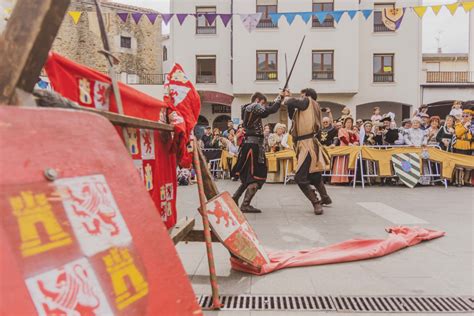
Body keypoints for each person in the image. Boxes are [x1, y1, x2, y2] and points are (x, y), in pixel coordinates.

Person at [231, 91, 286, 213]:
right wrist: (280, 99)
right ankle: (245, 204)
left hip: (250, 145)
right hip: (253, 147)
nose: (263, 106)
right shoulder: (254, 106)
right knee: (256, 176)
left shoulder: (247, 107)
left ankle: (235, 197)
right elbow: (269, 111)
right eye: (262, 103)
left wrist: (279, 96)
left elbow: (268, 107)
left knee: (248, 177)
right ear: (257, 100)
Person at [284, 88, 332, 215]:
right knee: (313, 174)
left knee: (300, 177)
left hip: (307, 144)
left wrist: (288, 97)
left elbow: (293, 102)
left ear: (308, 96)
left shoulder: (308, 101)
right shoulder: (309, 108)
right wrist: (288, 100)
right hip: (305, 143)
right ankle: (325, 197)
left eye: (302, 96)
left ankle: (316, 202)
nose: (301, 98)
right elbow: (291, 114)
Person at [332, 116, 359, 184]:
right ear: (345, 123)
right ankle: (339, 180)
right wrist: (349, 143)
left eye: (350, 122)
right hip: (343, 148)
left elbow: (356, 139)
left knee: (349, 164)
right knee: (341, 164)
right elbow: (342, 138)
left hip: (351, 150)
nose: (349, 124)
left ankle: (349, 180)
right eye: (348, 122)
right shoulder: (341, 130)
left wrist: (355, 142)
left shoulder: (353, 131)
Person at [452, 109, 473, 187]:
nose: (464, 117)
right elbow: (458, 133)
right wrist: (465, 126)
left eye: (467, 116)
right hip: (459, 145)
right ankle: (458, 181)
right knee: (459, 164)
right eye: (463, 116)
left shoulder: (472, 126)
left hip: (469, 146)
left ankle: (466, 180)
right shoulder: (458, 124)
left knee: (468, 164)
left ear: (471, 117)